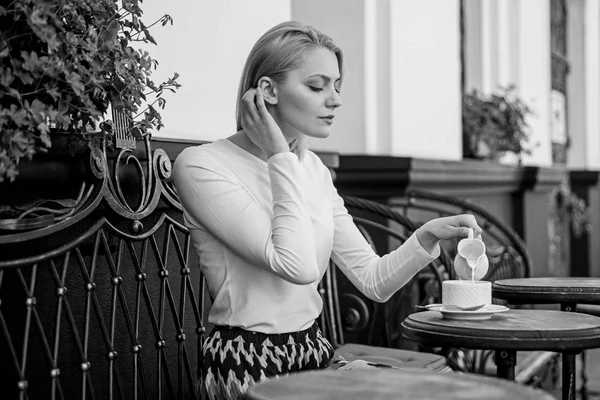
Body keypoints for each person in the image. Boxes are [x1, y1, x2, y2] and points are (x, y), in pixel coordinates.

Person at [173, 20, 482, 400]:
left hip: (314, 356)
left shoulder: (312, 169)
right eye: (317, 86)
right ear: (267, 90)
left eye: (337, 86)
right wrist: (280, 156)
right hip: (247, 366)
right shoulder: (201, 166)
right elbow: (297, 266)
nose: (335, 99)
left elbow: (374, 281)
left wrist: (426, 235)